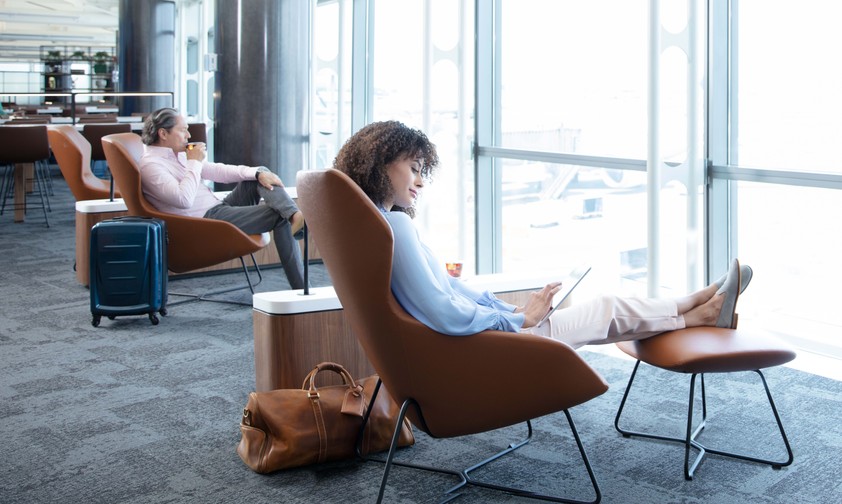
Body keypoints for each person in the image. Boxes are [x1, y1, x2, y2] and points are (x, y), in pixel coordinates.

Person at [332, 120, 751, 349]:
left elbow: (448, 291)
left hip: (472, 341)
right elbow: (442, 311)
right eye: (414, 168)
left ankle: (695, 308)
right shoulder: (396, 227)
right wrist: (520, 320)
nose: (421, 181)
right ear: (381, 163)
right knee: (606, 308)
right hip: (481, 349)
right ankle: (697, 309)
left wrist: (510, 310)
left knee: (607, 316)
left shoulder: (375, 227)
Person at [139, 107, 306, 289]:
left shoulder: (178, 155)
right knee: (279, 215)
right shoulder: (151, 166)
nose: (188, 135)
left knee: (259, 173)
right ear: (163, 133)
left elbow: (218, 171)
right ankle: (302, 289)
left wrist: (256, 173)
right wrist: (194, 162)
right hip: (203, 223)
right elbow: (183, 199)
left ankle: (294, 214)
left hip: (218, 209)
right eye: (183, 130)